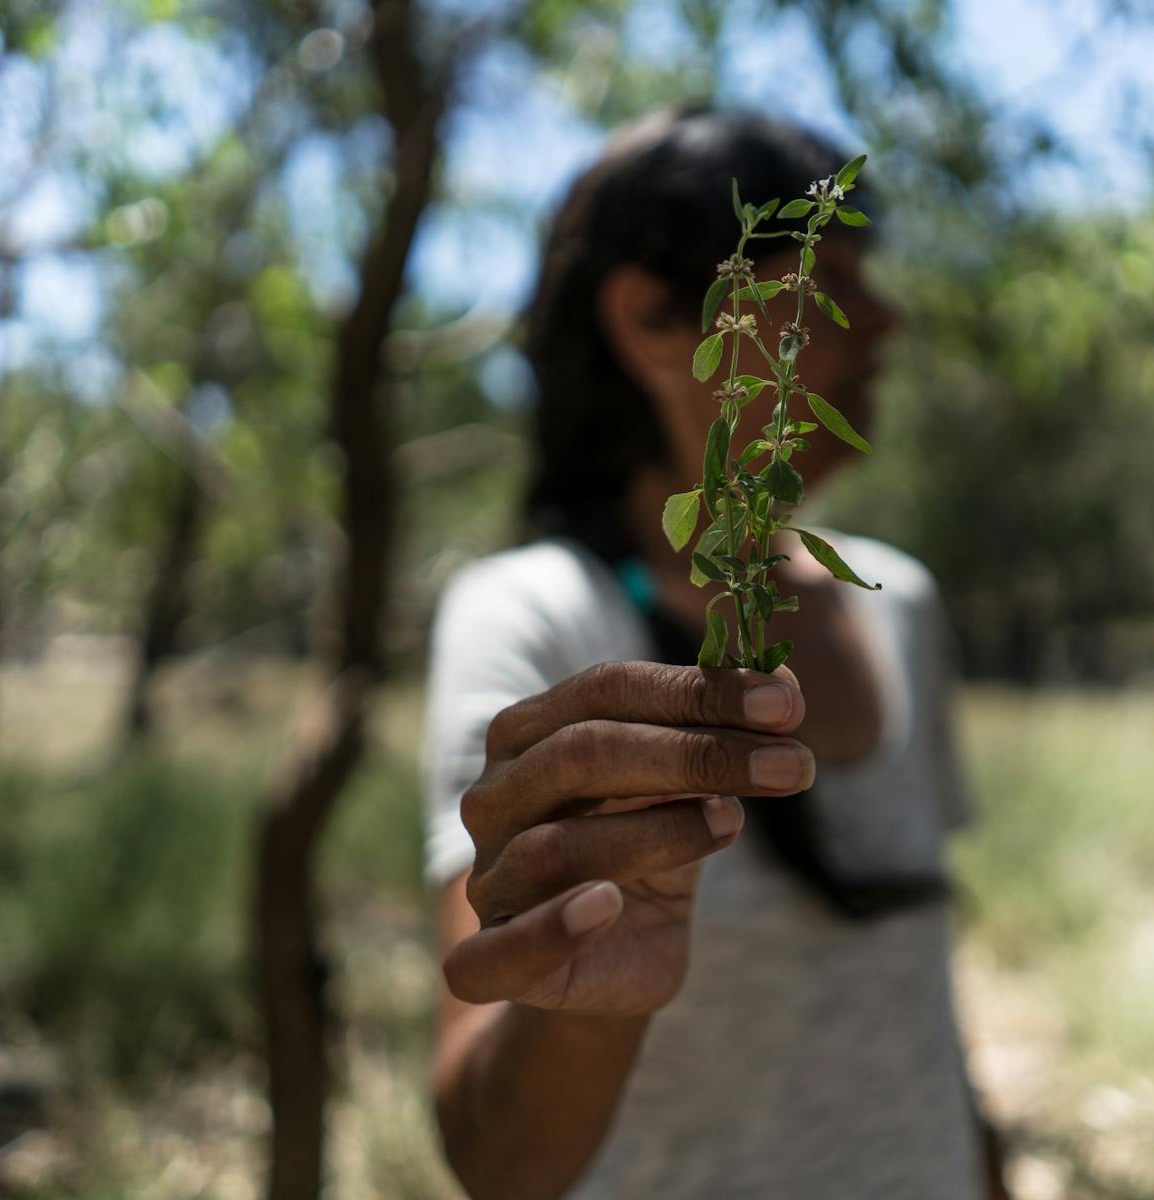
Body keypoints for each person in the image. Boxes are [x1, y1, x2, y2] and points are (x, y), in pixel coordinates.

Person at [421, 107, 1003, 1199]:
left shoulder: (898, 605)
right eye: (831, 284)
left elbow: (924, 1012)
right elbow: (493, 1160)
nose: (884, 323)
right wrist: (588, 992)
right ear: (649, 319)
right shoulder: (534, 622)